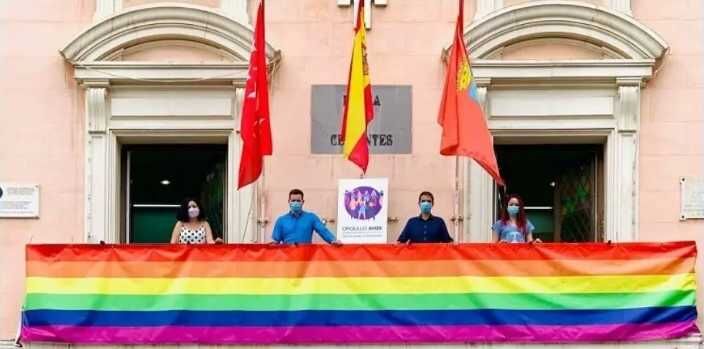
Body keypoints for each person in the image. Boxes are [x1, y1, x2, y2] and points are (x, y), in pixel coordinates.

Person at [271, 189, 342, 245]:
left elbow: (323, 231)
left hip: (305, 260)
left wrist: (333, 240)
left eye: (298, 200)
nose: (295, 203)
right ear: (289, 201)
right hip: (288, 261)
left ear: (303, 202)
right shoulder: (281, 220)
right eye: (293, 200)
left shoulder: (311, 218)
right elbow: (275, 242)